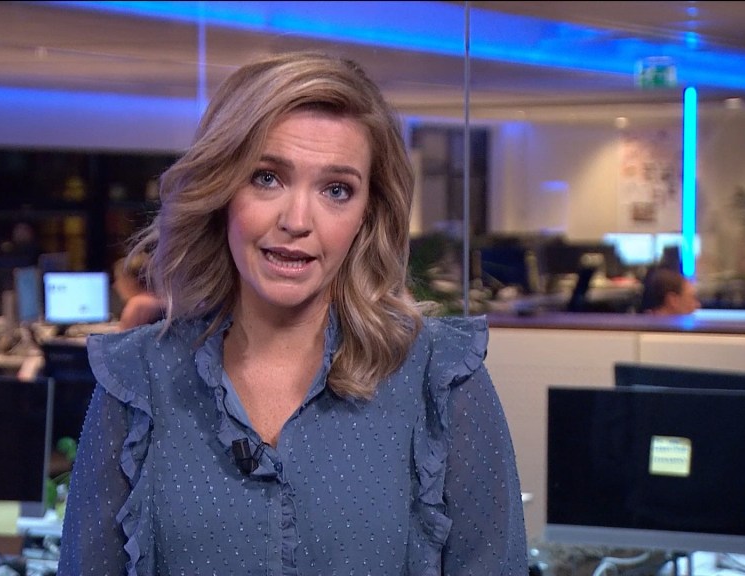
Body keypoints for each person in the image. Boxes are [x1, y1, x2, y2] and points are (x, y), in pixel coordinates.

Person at [58, 51, 527, 576]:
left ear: (367, 214)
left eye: (336, 190)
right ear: (221, 189)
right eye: (267, 178)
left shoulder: (442, 378)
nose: (298, 220)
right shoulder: (136, 380)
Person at [112, 253, 163, 330]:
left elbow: (124, 337)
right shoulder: (160, 300)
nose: (115, 286)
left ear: (130, 281)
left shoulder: (138, 304)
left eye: (118, 278)